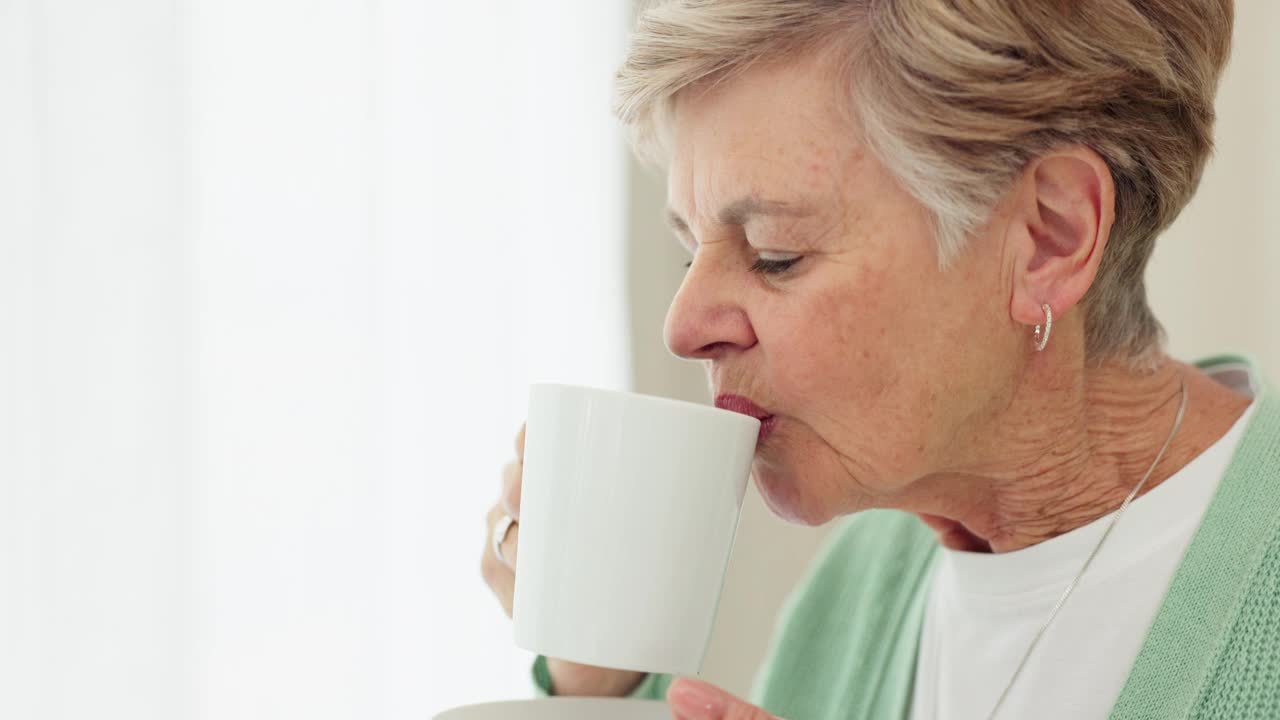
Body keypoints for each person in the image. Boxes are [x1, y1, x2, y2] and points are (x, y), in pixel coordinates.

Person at [481, 1, 1280, 718]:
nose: (684, 326)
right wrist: (600, 681)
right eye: (691, 247)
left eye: (774, 254)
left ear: (1049, 239)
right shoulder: (860, 589)